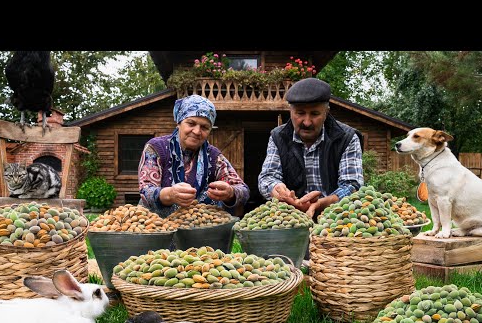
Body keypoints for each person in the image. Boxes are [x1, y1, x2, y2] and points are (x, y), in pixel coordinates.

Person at [258, 77, 364, 219]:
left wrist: (321, 203)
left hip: (336, 219)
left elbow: (352, 185)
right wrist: (277, 188)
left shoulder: (347, 138)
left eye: (315, 114)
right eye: (300, 113)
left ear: (326, 112)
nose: (307, 122)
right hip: (290, 218)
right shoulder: (278, 137)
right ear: (291, 111)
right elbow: (267, 177)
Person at [138, 94, 250, 217]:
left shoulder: (213, 156)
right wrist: (170, 194)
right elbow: (146, 190)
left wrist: (230, 193)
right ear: (179, 122)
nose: (197, 131)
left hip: (198, 227)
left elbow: (243, 190)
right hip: (157, 225)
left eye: (204, 127)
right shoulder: (156, 148)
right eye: (191, 123)